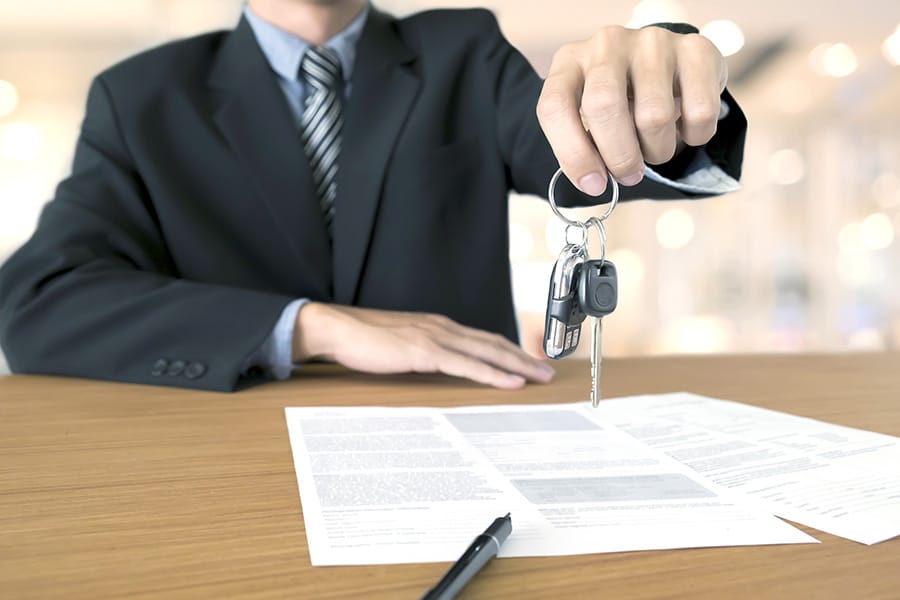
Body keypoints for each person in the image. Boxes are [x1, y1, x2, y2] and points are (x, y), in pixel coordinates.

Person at [0, 0, 746, 392]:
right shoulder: (142, 97)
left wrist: (660, 82)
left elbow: (586, 141)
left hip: (464, 431)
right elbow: (38, 302)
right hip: (225, 462)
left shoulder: (465, 54)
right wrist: (309, 327)